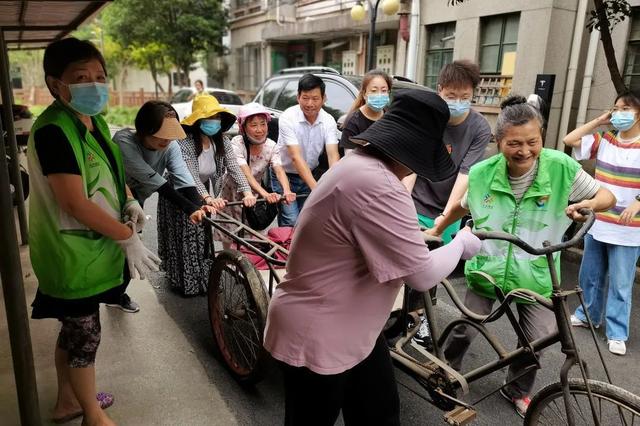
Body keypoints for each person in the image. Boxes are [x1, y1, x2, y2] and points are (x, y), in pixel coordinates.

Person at [264, 89, 482, 426]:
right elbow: (421, 275)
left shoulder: (358, 165)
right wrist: (462, 244)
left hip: (354, 328)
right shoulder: (377, 184)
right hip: (320, 331)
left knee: (378, 412)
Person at [431, 95, 615, 418]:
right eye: (514, 143)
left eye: (533, 141)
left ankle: (516, 388)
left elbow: (607, 195)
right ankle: (446, 370)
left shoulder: (562, 168)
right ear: (499, 141)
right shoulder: (482, 173)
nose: (525, 150)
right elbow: (463, 206)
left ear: (542, 136)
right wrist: (439, 227)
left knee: (538, 340)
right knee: (465, 327)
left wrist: (589, 206)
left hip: (536, 272)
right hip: (488, 268)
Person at [28, 37, 161, 426]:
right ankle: (93, 415)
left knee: (73, 330)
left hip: (89, 251)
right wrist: (126, 235)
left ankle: (69, 399)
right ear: (56, 84)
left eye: (99, 76)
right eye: (80, 77)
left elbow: (109, 172)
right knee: (86, 335)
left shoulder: (95, 120)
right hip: (71, 254)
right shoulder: (54, 130)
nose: (94, 84)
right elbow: (73, 202)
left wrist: (129, 198)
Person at [404, 60, 492, 349]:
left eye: (464, 97)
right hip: (417, 201)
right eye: (451, 96)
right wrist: (402, 205)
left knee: (436, 268)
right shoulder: (428, 118)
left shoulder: (479, 127)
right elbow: (412, 166)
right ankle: (407, 313)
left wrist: (446, 216)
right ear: (439, 90)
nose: (457, 102)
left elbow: (466, 174)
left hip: (451, 205)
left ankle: (422, 319)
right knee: (410, 262)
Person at [113, 101, 217, 300]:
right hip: (114, 196)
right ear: (145, 130)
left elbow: (183, 178)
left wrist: (199, 206)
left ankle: (118, 294)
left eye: (170, 136)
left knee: (132, 244)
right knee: (113, 246)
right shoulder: (124, 141)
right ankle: (110, 289)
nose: (166, 141)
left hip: (137, 200)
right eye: (161, 136)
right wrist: (189, 208)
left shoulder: (171, 146)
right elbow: (154, 180)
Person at [564, 91, 640, 356]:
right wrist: (599, 121)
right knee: (590, 276)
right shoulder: (605, 140)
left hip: (629, 229)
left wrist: (638, 201)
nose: (618, 114)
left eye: (625, 109)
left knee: (621, 282)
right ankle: (587, 316)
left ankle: (617, 331)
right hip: (598, 222)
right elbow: (569, 139)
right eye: (616, 109)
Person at [158, 94, 253, 295]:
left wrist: (247, 191)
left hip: (201, 192)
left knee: (203, 235)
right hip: (180, 191)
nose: (213, 122)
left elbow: (234, 169)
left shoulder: (223, 142)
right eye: (209, 118)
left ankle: (204, 279)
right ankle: (187, 283)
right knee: (187, 235)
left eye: (216, 117)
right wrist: (208, 199)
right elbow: (189, 175)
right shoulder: (185, 143)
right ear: (198, 120)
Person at [219, 102, 296, 242]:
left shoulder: (271, 146)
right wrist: (265, 194)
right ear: (243, 128)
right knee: (231, 239)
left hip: (255, 196)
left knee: (254, 240)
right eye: (254, 125)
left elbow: (279, 169)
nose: (260, 129)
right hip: (232, 195)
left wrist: (286, 190)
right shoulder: (237, 143)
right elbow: (246, 174)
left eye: (263, 124)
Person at [272, 73, 340, 226]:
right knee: (292, 221)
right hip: (284, 175)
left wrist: (333, 185)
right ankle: (285, 249)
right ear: (298, 97)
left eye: (315, 98)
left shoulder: (328, 121)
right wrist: (317, 190)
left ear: (324, 98)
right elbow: (296, 157)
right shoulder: (288, 117)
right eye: (305, 98)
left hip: (310, 174)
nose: (310, 103)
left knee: (306, 221)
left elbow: (333, 155)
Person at [339, 69, 392, 152]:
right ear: (364, 94)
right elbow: (349, 158)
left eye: (384, 91)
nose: (379, 95)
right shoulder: (353, 121)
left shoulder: (391, 118)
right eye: (374, 91)